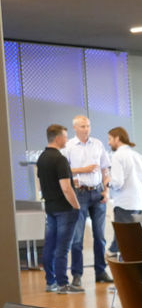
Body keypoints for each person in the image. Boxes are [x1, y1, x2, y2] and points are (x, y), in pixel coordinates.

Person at [64, 115, 112, 287]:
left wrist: (107, 190)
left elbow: (106, 168)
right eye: (83, 126)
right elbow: (64, 170)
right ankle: (77, 275)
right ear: (75, 128)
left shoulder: (97, 144)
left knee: (100, 236)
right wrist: (84, 169)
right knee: (77, 238)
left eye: (88, 126)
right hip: (79, 194)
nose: (86, 129)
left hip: (98, 192)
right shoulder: (68, 146)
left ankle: (101, 271)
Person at [38, 124, 82, 294]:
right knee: (62, 248)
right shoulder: (60, 159)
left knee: (49, 245)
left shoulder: (42, 158)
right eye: (65, 136)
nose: (67, 139)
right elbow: (66, 188)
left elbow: (44, 184)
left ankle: (50, 282)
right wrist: (76, 206)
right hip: (64, 209)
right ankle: (63, 284)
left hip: (50, 207)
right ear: (57, 138)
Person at [106, 127, 142, 254]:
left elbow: (117, 183)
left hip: (124, 205)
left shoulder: (117, 156)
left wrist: (107, 182)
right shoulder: (140, 157)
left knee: (125, 244)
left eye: (110, 139)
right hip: (139, 204)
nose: (108, 143)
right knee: (135, 241)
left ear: (117, 138)